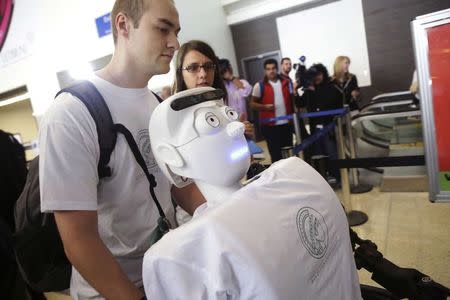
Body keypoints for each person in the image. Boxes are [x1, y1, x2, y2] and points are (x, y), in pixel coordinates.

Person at [38, 1, 205, 299]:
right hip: (113, 290)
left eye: (176, 31)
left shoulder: (157, 104)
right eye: (163, 28)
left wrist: (226, 219)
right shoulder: (70, 115)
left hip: (168, 274)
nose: (175, 43)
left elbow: (180, 186)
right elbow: (79, 240)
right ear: (124, 25)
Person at [143, 87, 362, 300]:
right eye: (211, 122)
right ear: (172, 156)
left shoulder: (291, 177)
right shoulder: (182, 255)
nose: (236, 127)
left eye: (229, 115)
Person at [172, 40, 255, 223]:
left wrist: (241, 137)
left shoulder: (220, 106)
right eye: (193, 68)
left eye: (208, 66)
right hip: (200, 213)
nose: (203, 74)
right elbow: (179, 183)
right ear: (180, 73)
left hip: (233, 201)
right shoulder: (173, 119)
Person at [302, 63, 342, 185]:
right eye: (314, 75)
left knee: (332, 153)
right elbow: (300, 103)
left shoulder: (331, 87)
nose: (317, 77)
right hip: (315, 128)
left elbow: (330, 103)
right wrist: (297, 89)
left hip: (329, 127)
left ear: (324, 73)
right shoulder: (310, 90)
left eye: (319, 74)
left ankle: (337, 178)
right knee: (318, 153)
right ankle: (323, 180)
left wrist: (314, 92)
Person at [250, 58, 294, 163]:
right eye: (268, 69)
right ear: (265, 71)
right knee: (276, 156)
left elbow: (293, 101)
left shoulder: (287, 82)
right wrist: (264, 107)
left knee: (290, 155)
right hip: (270, 127)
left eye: (273, 68)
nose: (271, 71)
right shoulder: (259, 85)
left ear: (277, 68)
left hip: (287, 124)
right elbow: (252, 104)